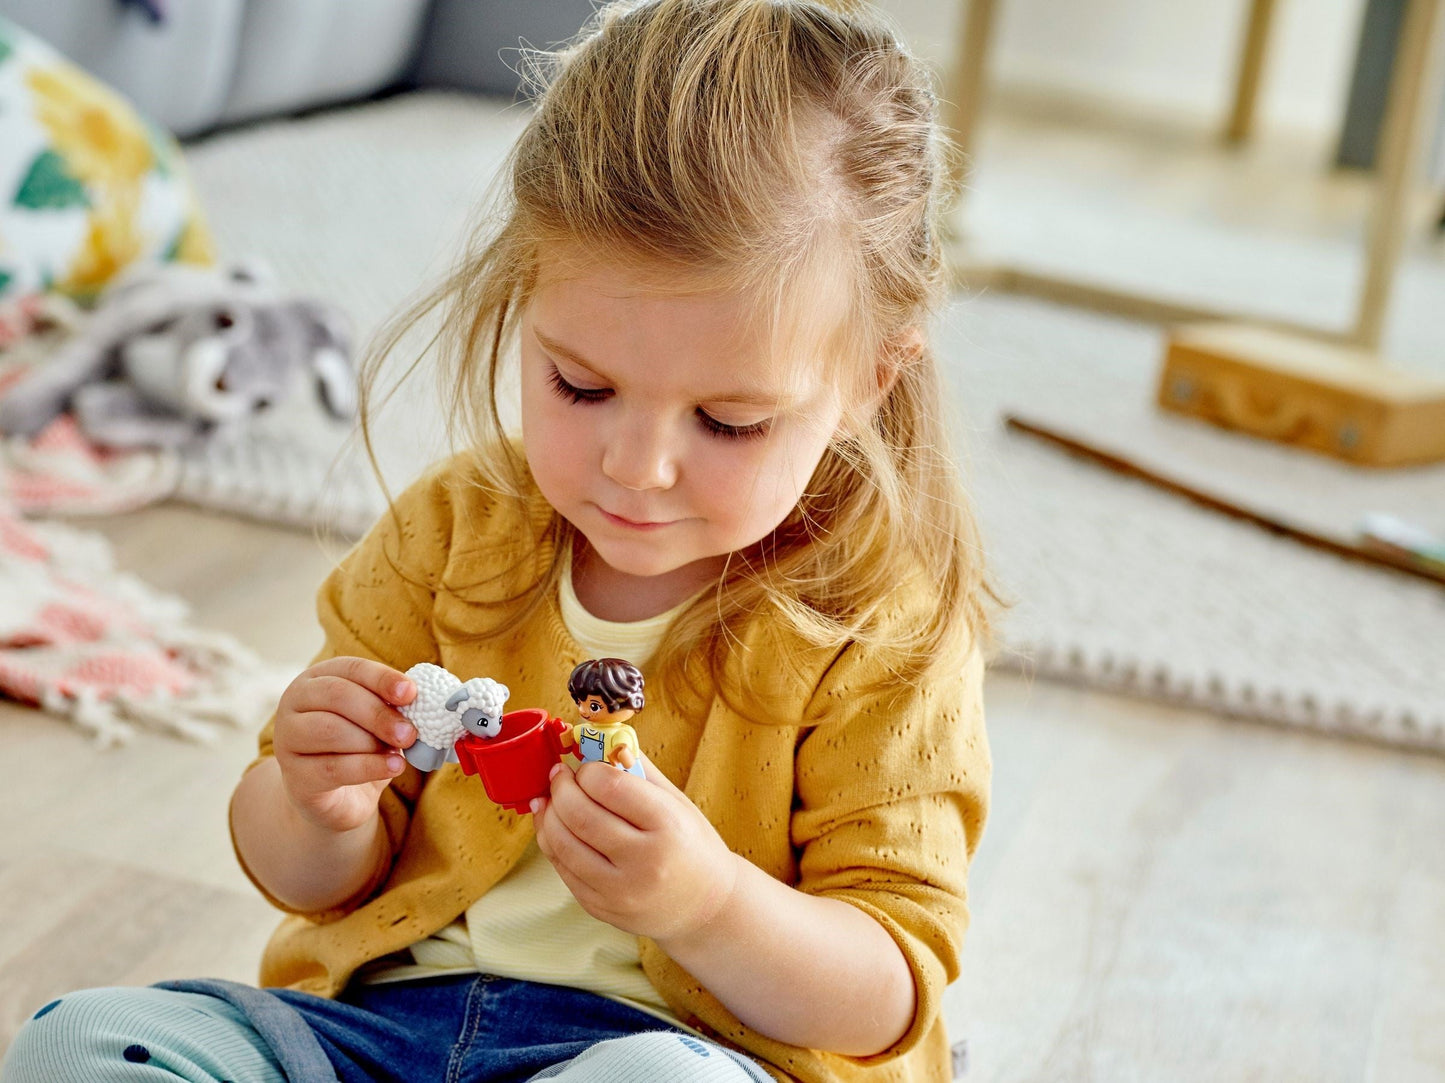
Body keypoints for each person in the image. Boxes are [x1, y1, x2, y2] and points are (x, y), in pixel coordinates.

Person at [0, 0, 993, 1080]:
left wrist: (704, 905)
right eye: (579, 385)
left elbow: (885, 991)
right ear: (525, 301)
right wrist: (312, 795)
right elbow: (305, 877)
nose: (635, 465)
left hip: (674, 1052)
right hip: (381, 1033)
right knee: (80, 1043)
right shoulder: (454, 528)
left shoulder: (880, 622)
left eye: (728, 422)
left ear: (867, 381)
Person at [560, 657, 647, 776]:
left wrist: (621, 753)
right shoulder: (584, 729)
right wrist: (566, 735)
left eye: (594, 706)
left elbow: (628, 760)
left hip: (618, 773)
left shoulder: (620, 734)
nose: (582, 711)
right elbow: (569, 740)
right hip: (588, 769)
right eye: (579, 703)